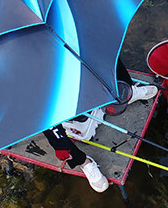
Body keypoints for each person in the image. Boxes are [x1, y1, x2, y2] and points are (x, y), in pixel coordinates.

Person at [44, 60, 158, 193]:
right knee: (50, 127)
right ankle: (84, 162)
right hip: (47, 97)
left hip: (55, 57)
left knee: (103, 52)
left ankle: (126, 92)